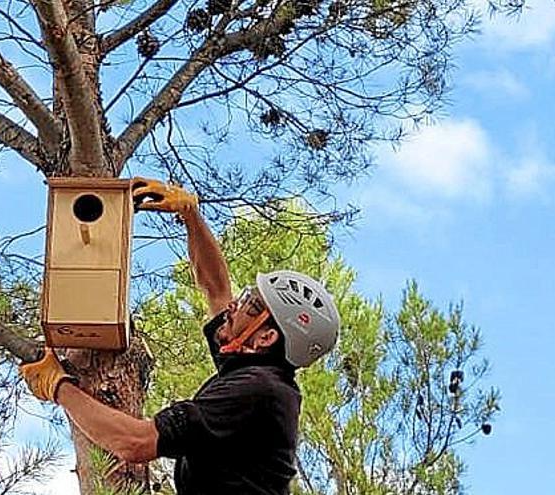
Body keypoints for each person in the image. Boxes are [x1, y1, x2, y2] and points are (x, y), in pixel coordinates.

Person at [19, 178, 341, 494]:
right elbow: (216, 289)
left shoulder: (257, 390)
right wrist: (191, 215)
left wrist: (59, 387)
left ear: (266, 337)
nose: (233, 307)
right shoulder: (255, 372)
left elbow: (135, 442)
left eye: (250, 305)